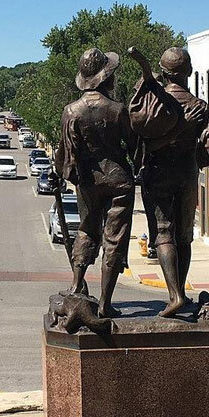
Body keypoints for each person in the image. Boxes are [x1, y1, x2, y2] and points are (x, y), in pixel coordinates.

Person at [128, 46, 209, 318]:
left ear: (163, 73)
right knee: (184, 237)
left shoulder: (153, 105)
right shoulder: (199, 106)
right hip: (187, 174)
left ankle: (175, 295)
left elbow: (141, 145)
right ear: (190, 72)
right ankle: (179, 292)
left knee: (164, 233)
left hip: (157, 173)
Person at [53, 47, 135, 318]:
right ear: (106, 77)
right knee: (114, 239)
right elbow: (134, 146)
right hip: (119, 179)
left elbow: (64, 152)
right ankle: (104, 302)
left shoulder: (71, 111)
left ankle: (77, 284)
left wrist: (60, 174)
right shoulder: (118, 110)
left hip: (88, 180)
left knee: (87, 230)